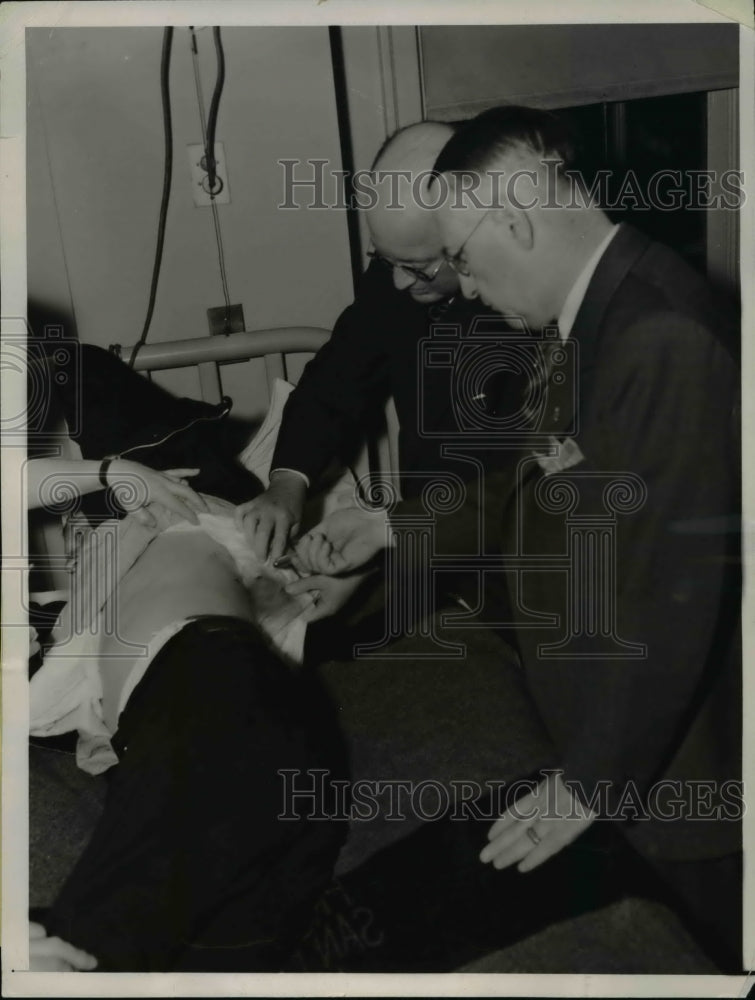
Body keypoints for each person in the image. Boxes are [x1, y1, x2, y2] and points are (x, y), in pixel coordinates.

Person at [291, 106, 743, 971]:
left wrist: (587, 783)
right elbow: (527, 490)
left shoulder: (661, 336)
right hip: (607, 736)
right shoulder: (590, 317)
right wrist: (388, 524)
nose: (458, 286)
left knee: (702, 954)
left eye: (459, 258)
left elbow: (676, 596)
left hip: (679, 773)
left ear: (517, 218)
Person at [236, 120, 516, 624]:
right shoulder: (399, 273)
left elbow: (508, 501)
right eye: (384, 260)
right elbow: (336, 378)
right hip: (424, 548)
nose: (398, 281)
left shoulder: (527, 318)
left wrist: (384, 553)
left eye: (421, 267)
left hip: (510, 564)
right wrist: (286, 483)